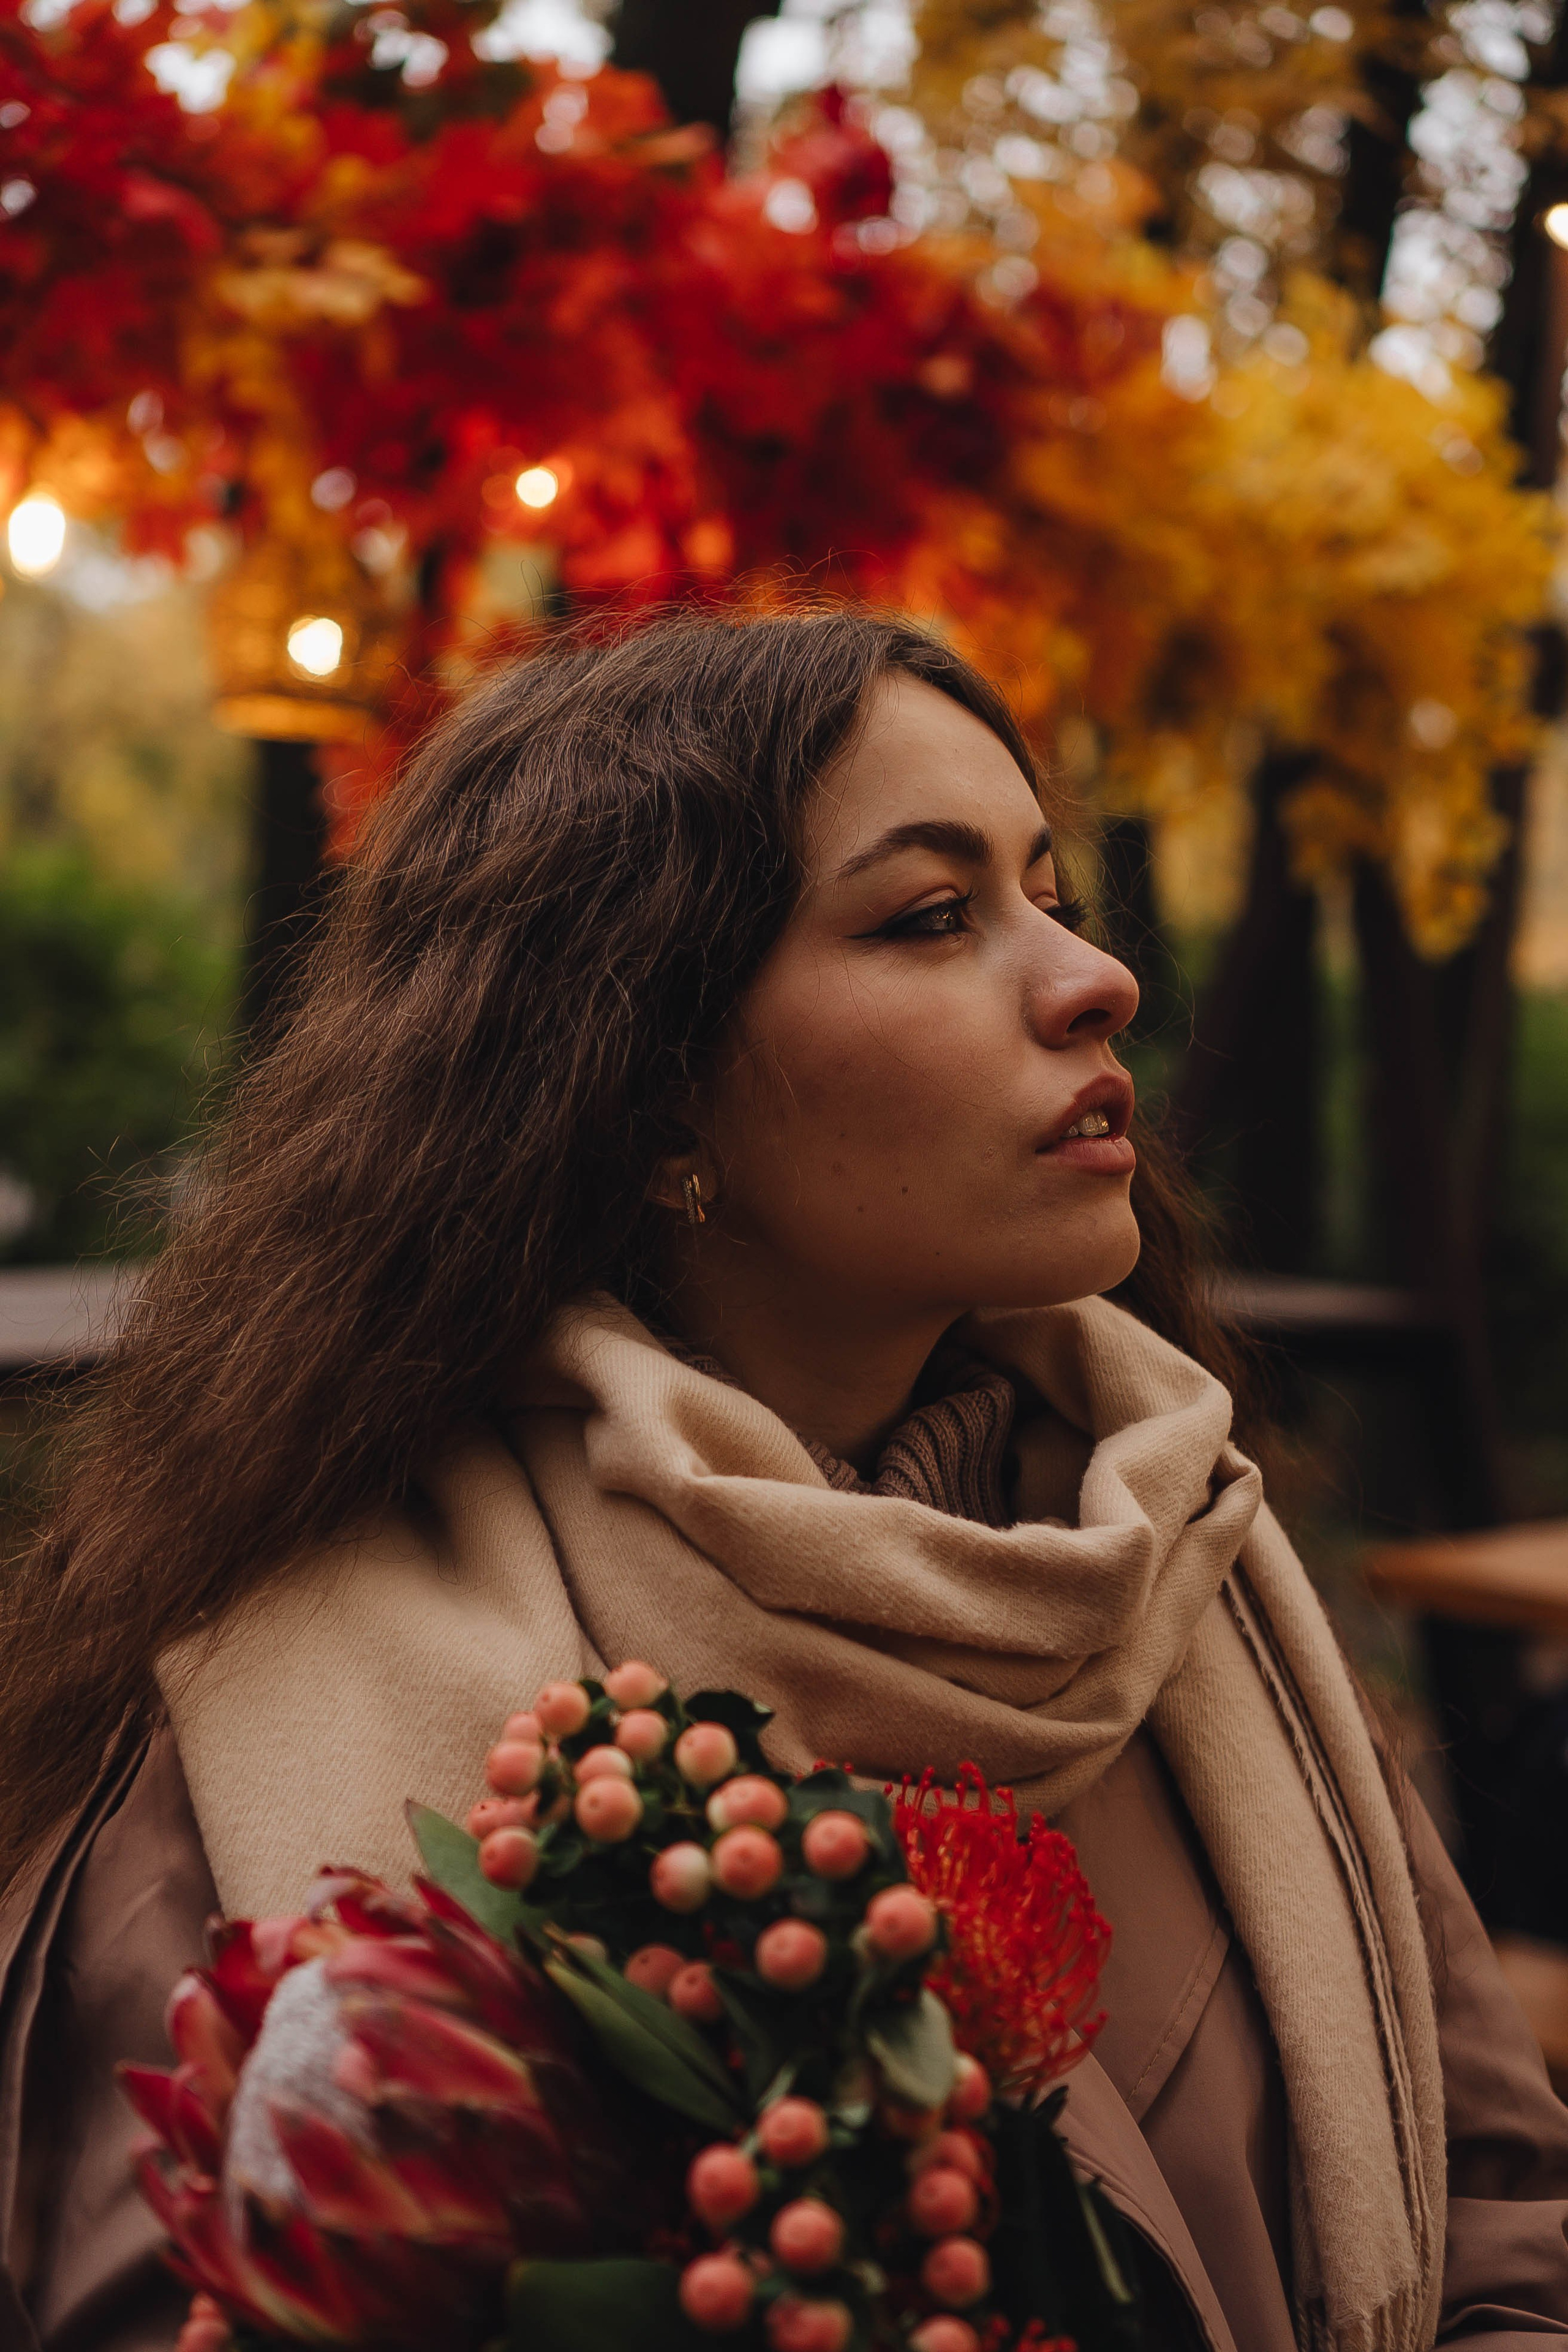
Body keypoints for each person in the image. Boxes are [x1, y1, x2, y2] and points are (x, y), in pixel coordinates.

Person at [1, 609, 1564, 2352]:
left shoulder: (1199, 1581)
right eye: (930, 916)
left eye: (1053, 894)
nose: (1093, 979)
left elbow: (1507, 2231)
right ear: (648, 1096)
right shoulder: (266, 1720)